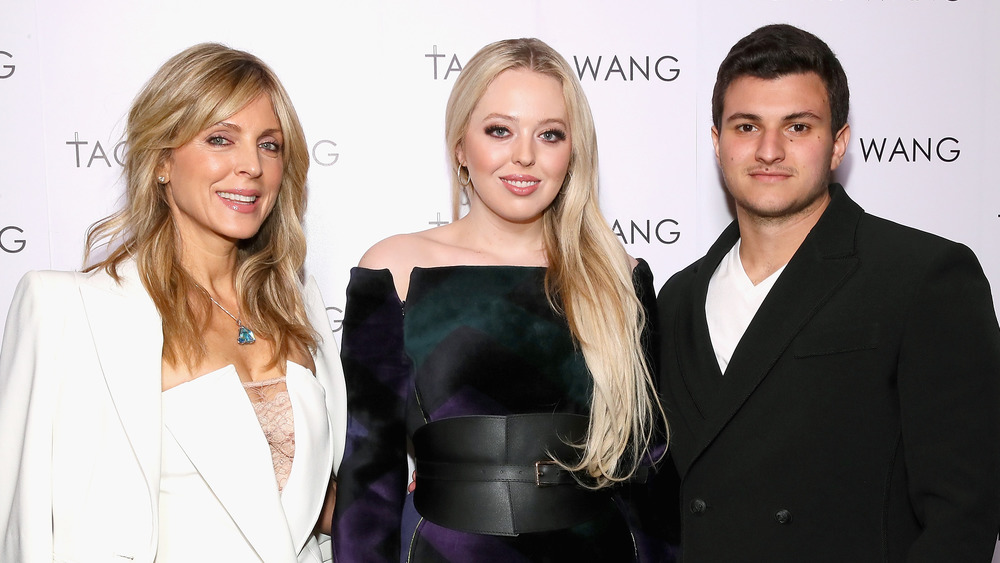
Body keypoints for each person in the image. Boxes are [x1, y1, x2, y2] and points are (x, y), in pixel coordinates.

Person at [656, 23, 1000, 562]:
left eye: (797, 127)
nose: (769, 150)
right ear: (718, 142)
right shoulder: (677, 299)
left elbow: (964, 511)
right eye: (747, 126)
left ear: (838, 143)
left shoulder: (923, 276)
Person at [0, 43, 346, 563]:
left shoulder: (299, 311)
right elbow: (25, 528)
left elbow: (317, 508)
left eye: (269, 145)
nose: (251, 165)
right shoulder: (66, 310)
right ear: (163, 160)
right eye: (220, 139)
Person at [331, 38, 670, 563]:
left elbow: (648, 469)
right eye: (499, 130)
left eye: (550, 134)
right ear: (460, 147)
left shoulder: (618, 276)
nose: (525, 155)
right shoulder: (395, 269)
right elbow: (369, 468)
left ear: (573, 152)